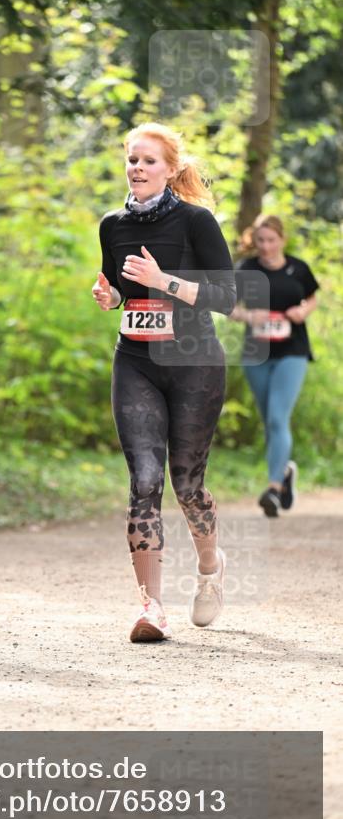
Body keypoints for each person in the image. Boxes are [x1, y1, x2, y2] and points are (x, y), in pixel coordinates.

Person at [92, 122, 236, 643]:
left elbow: (227, 298)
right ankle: (151, 607)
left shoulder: (197, 221)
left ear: (170, 170)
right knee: (144, 481)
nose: (137, 168)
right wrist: (112, 297)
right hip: (136, 362)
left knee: (187, 486)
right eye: (132, 159)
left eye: (148, 160)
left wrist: (163, 281)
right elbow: (121, 288)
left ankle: (209, 569)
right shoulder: (112, 224)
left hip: (195, 364)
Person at [231, 214, 318, 517]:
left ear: (282, 239)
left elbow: (312, 298)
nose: (266, 247)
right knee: (270, 421)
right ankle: (285, 473)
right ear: (253, 241)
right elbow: (229, 306)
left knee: (279, 418)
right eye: (260, 241)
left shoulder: (298, 268)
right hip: (256, 353)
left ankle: (273, 488)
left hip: (292, 351)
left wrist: (302, 311)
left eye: (271, 240)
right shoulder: (246, 269)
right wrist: (247, 316)